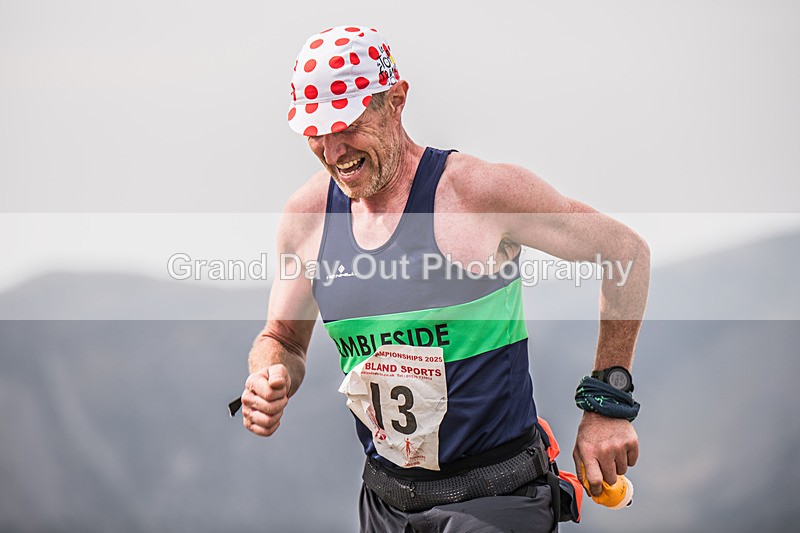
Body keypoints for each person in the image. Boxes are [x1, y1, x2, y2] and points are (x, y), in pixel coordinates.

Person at [236, 25, 650, 532]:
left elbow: (624, 252)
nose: (332, 149)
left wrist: (608, 403)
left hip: (496, 501)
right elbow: (281, 340)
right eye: (314, 132)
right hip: (385, 505)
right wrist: (267, 376)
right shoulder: (308, 218)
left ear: (395, 101)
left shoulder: (475, 194)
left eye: (346, 124)